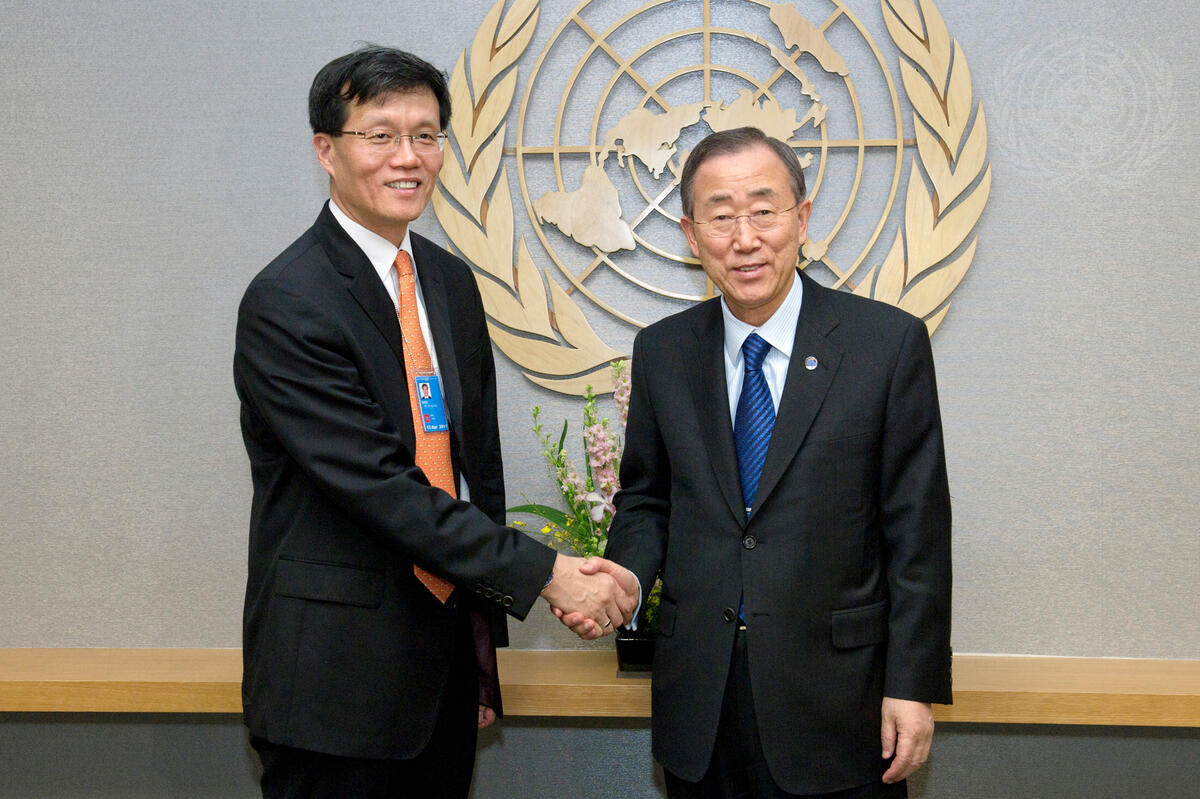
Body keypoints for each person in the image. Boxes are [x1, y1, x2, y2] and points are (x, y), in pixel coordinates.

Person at [233, 46, 636, 798]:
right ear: (326, 149)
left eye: (426, 135)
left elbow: (473, 474)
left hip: (444, 678)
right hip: (334, 690)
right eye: (380, 134)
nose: (408, 156)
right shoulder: (288, 301)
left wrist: (481, 652)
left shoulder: (449, 282)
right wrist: (547, 574)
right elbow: (383, 489)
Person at [569, 127, 952, 797]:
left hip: (842, 703)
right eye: (720, 216)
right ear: (692, 236)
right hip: (703, 703)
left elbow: (917, 532)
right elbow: (648, 500)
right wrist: (626, 576)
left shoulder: (885, 345)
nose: (744, 238)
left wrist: (912, 685)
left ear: (802, 219)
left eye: (764, 211)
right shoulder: (663, 352)